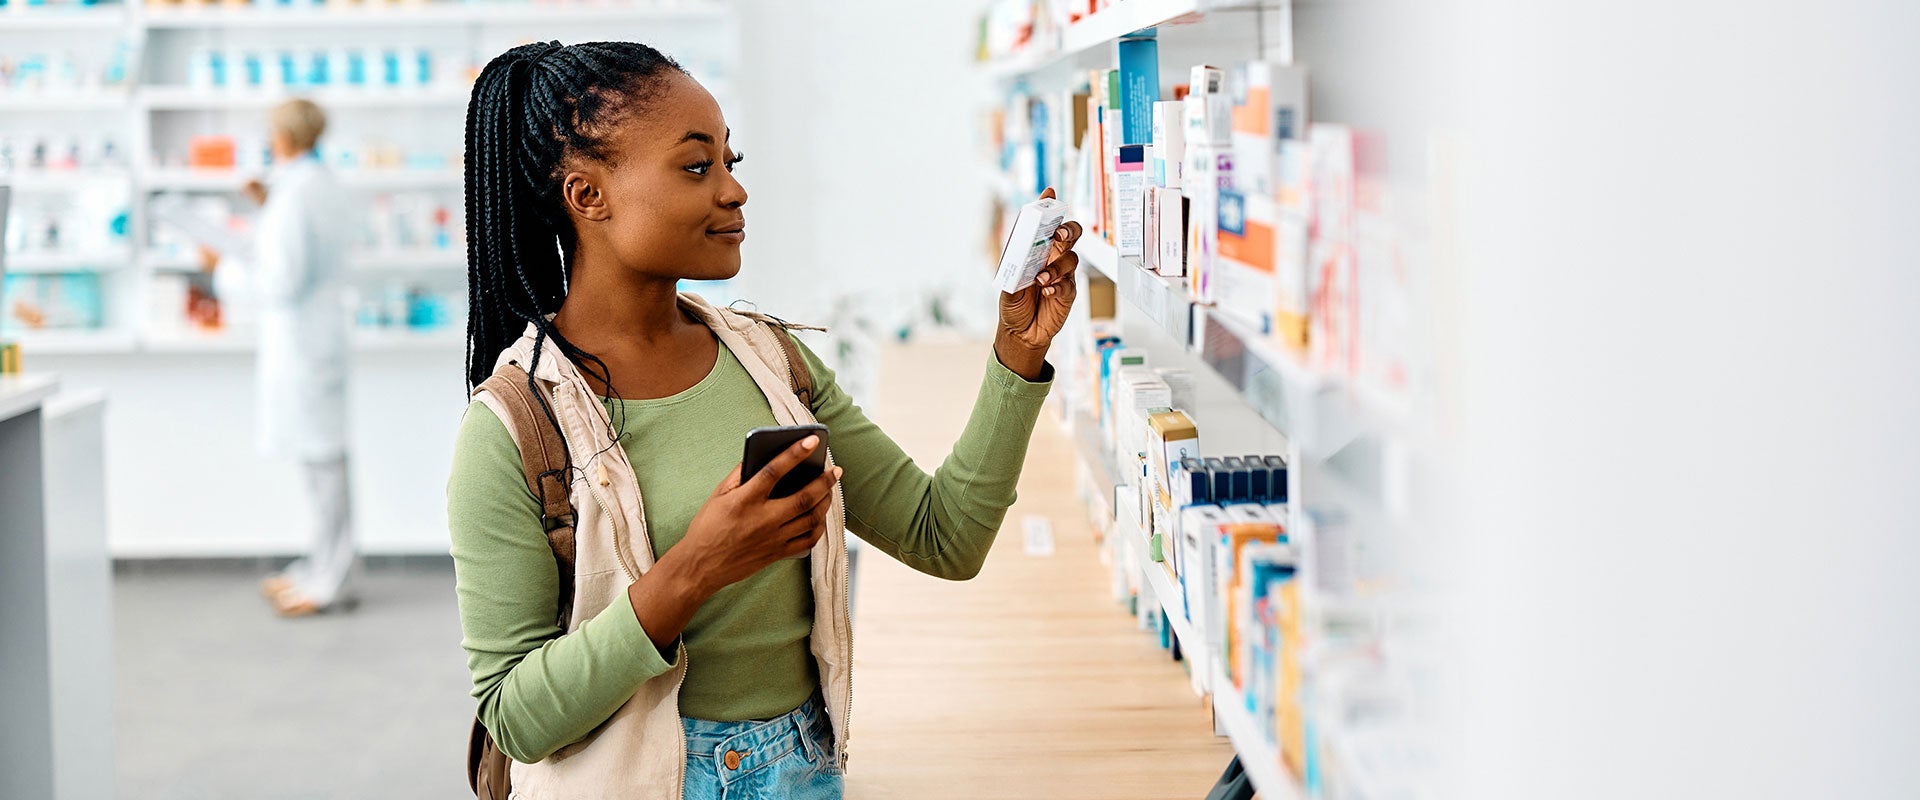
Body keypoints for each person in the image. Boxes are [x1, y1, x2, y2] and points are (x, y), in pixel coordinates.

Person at [446, 42, 1081, 800]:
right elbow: (514, 720)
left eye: (729, 161)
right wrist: (695, 568)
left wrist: (1017, 351)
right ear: (588, 197)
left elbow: (944, 536)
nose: (734, 190)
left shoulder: (771, 365)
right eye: (695, 167)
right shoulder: (513, 428)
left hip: (803, 768)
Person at [201, 98, 357, 617]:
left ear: (282, 137)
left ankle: (330, 579)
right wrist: (265, 205)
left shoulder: (296, 195)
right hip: (314, 337)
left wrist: (221, 265)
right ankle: (320, 567)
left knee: (322, 465)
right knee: (318, 463)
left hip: (303, 341)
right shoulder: (314, 185)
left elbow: (280, 280)